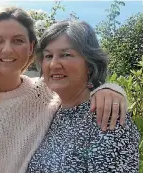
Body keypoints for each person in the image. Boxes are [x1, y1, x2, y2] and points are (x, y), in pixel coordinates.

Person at [0, 7, 128, 173]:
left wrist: (109, 89)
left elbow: (77, 86)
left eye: (18, 41)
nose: (7, 50)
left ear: (31, 48)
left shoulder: (45, 91)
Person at [27, 20, 140, 172]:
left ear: (89, 64)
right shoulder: (51, 110)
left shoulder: (107, 119)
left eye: (66, 54)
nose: (54, 64)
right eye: (48, 56)